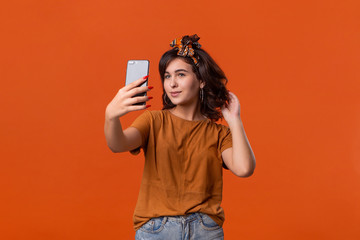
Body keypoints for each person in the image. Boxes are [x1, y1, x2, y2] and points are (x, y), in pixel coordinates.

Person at [104, 34, 256, 240]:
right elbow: (117, 144)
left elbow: (244, 168)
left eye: (181, 74)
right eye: (167, 76)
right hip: (157, 230)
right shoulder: (153, 120)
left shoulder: (219, 133)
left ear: (201, 80)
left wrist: (234, 119)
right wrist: (111, 116)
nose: (172, 83)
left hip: (205, 231)